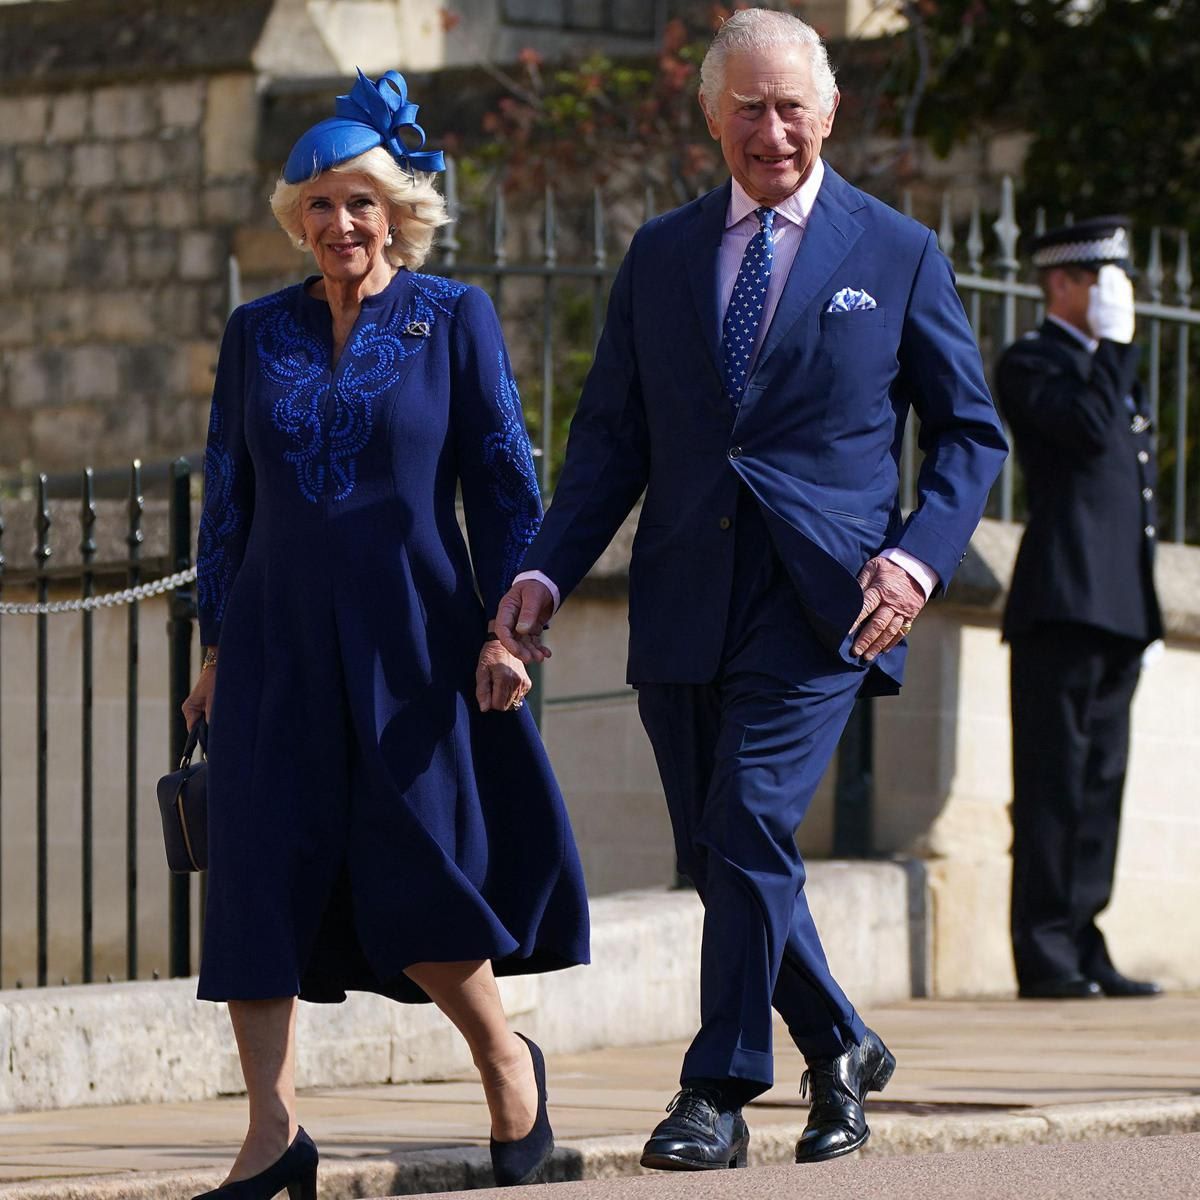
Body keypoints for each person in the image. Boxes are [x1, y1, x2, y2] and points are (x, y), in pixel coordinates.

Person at [494, 8, 1006, 1173]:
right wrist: (542, 569)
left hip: (829, 597)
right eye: (748, 107)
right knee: (720, 854)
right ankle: (840, 1044)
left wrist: (917, 555)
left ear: (829, 113)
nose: (771, 129)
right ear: (712, 116)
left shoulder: (896, 253)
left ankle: (717, 1091)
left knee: (747, 821)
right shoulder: (664, 254)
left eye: (792, 107)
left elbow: (971, 437)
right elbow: (609, 440)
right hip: (683, 591)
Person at [180, 69, 589, 1199]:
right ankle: (274, 1134)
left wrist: (510, 623)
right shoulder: (257, 332)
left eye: (360, 201)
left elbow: (504, 483)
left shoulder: (452, 318)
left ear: (399, 210)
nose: (339, 223)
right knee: (257, 877)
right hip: (272, 645)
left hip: (413, 641)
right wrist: (216, 650)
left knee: (417, 871)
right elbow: (230, 496)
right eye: (317, 204)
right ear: (295, 219)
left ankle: (507, 1063)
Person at [997, 217, 1163, 1001]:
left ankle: (1084, 934)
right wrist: (1117, 351)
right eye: (1101, 282)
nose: (1113, 300)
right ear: (1061, 283)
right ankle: (1044, 948)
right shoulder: (1032, 364)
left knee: (1101, 783)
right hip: (1061, 604)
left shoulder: (1103, 370)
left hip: (1118, 608)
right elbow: (1090, 437)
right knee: (1053, 783)